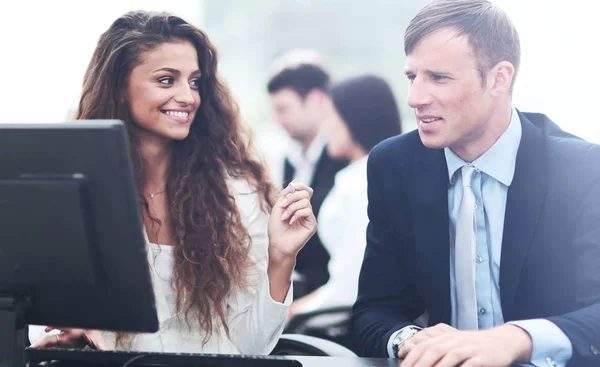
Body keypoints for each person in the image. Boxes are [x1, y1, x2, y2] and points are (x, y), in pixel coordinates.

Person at [29, 10, 317, 355]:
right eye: (167, 80)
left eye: (194, 82)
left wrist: (281, 257)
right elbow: (43, 319)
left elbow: (250, 348)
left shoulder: (235, 193)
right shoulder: (77, 193)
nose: (188, 96)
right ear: (120, 86)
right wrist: (70, 327)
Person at [351, 1, 600, 366]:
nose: (414, 98)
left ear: (499, 78)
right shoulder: (394, 165)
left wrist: (518, 338)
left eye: (438, 77)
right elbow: (374, 310)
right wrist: (410, 340)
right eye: (411, 77)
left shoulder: (581, 168)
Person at [292, 75, 402, 315]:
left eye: (331, 115)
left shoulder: (360, 182)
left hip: (348, 322)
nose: (325, 126)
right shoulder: (381, 173)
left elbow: (351, 287)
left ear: (355, 118)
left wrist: (293, 312)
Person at [267, 52, 348, 302]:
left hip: (332, 308)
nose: (277, 120)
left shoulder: (344, 160)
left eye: (283, 109)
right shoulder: (286, 160)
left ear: (316, 101)